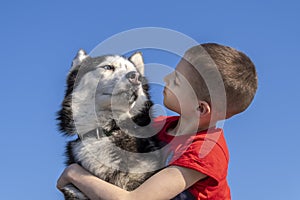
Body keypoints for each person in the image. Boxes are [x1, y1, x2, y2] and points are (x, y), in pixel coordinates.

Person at [57, 43, 258, 200]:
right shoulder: (160, 126)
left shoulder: (204, 152)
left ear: (200, 108)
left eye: (177, 80)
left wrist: (75, 174)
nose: (166, 78)